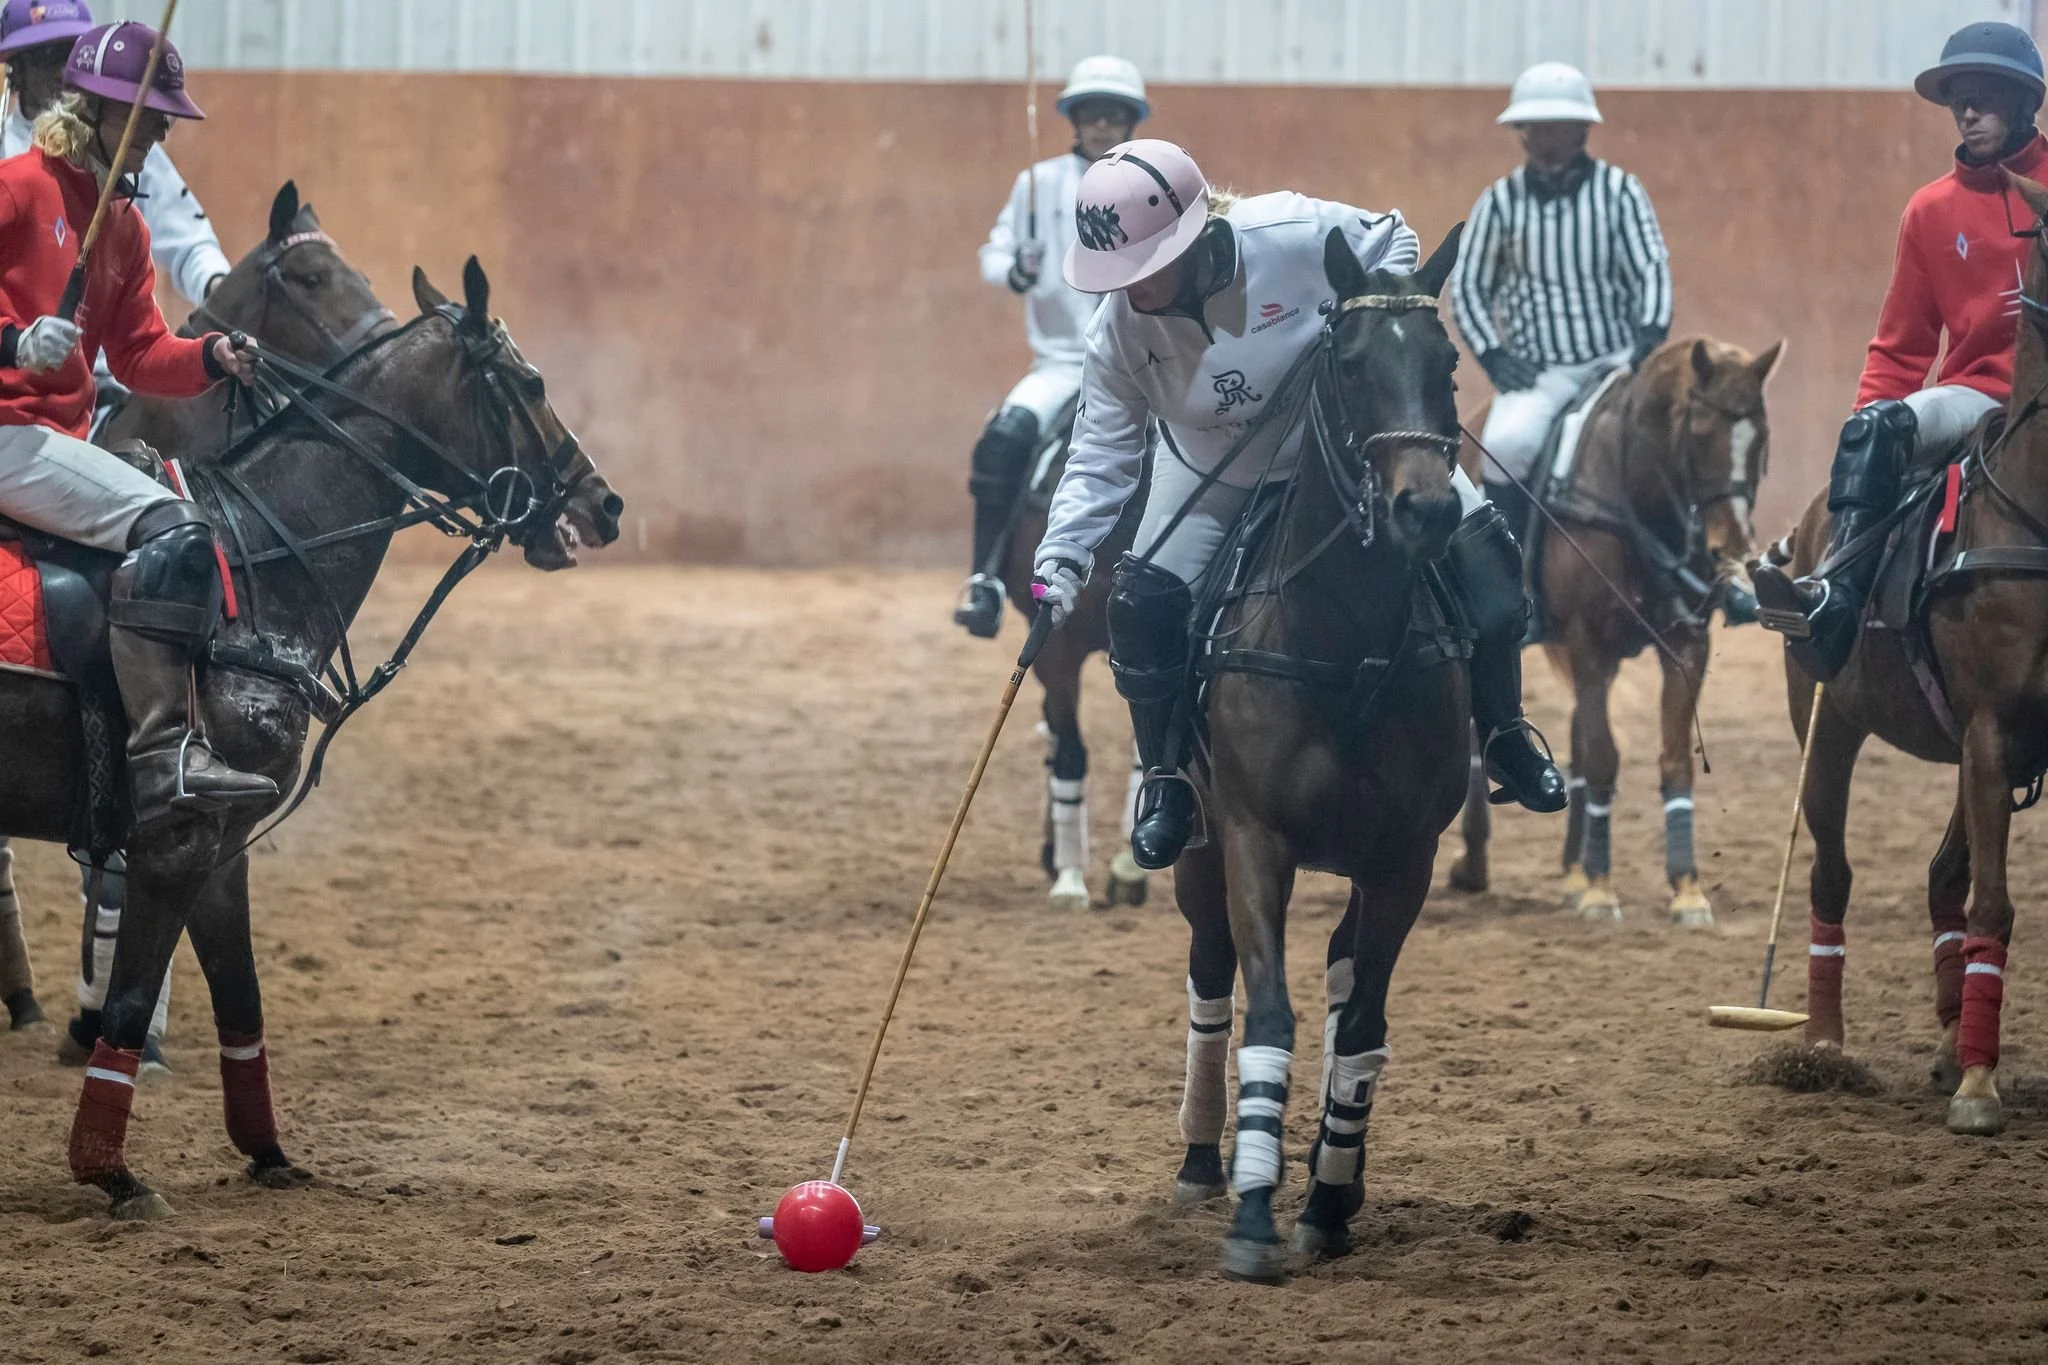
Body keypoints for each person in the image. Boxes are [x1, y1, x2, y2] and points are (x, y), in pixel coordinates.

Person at [1028, 140, 1567, 871]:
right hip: (1210, 472)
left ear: (1187, 236)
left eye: (1139, 266)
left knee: (1492, 574)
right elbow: (1101, 455)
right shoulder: (1119, 330)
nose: (1126, 288)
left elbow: (1394, 237)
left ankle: (1505, 733)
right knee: (1141, 606)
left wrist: (1363, 315)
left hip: (1352, 452)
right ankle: (1167, 780)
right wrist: (1059, 560)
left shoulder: (1287, 231)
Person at [0, 21, 270, 826]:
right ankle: (164, 756)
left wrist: (211, 356)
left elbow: (144, 352)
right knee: (179, 531)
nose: (162, 130)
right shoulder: (20, 188)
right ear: (104, 107)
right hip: (9, 435)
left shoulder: (124, 224)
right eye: (153, 115)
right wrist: (13, 339)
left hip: (62, 441)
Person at [1753, 21, 2048, 678]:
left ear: (2023, 103)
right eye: (1958, 99)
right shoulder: (1929, 211)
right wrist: (1867, 440)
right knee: (1878, 426)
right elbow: (1902, 345)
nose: (1967, 111)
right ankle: (1836, 605)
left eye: (1984, 96)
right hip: (1977, 395)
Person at [954, 55, 1149, 637]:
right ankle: (986, 579)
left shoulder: (1150, 185)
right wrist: (1017, 265)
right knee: (1002, 440)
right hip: (1063, 363)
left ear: (1129, 123)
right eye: (1092, 115)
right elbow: (993, 254)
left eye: (1113, 116)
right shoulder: (1036, 184)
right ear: (1075, 119)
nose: (1102, 127)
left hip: (1142, 362)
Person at [1450, 62, 1671, 527]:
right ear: (1522, 134)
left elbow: (1650, 269)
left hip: (1613, 365)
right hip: (1537, 375)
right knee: (1507, 447)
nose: (1549, 142)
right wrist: (1495, 358)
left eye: (1561, 131)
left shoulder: (1620, 193)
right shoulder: (1499, 202)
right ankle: (1507, 569)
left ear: (1582, 133)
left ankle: (1696, 572)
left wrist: (1646, 343)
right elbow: (1469, 287)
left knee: (1669, 447)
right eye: (1539, 131)